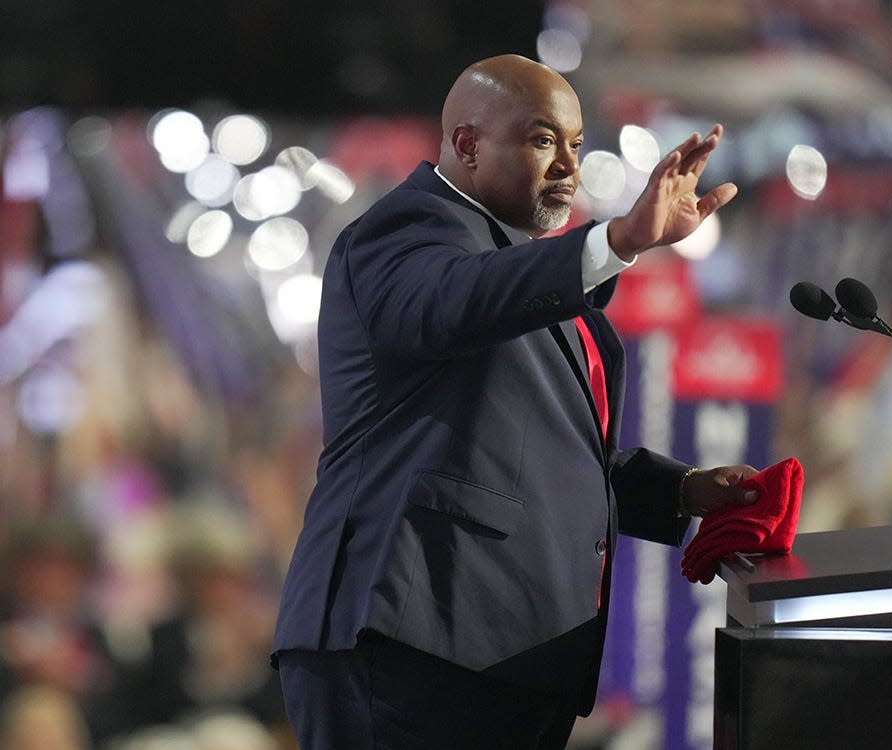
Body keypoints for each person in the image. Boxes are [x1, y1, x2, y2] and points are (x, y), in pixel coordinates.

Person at [273, 53, 755, 750]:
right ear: (466, 144)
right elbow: (455, 301)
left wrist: (680, 489)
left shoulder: (523, 272)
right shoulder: (406, 231)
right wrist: (616, 241)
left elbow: (545, 450)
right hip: (409, 643)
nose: (567, 165)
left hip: (503, 656)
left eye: (575, 145)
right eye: (540, 140)